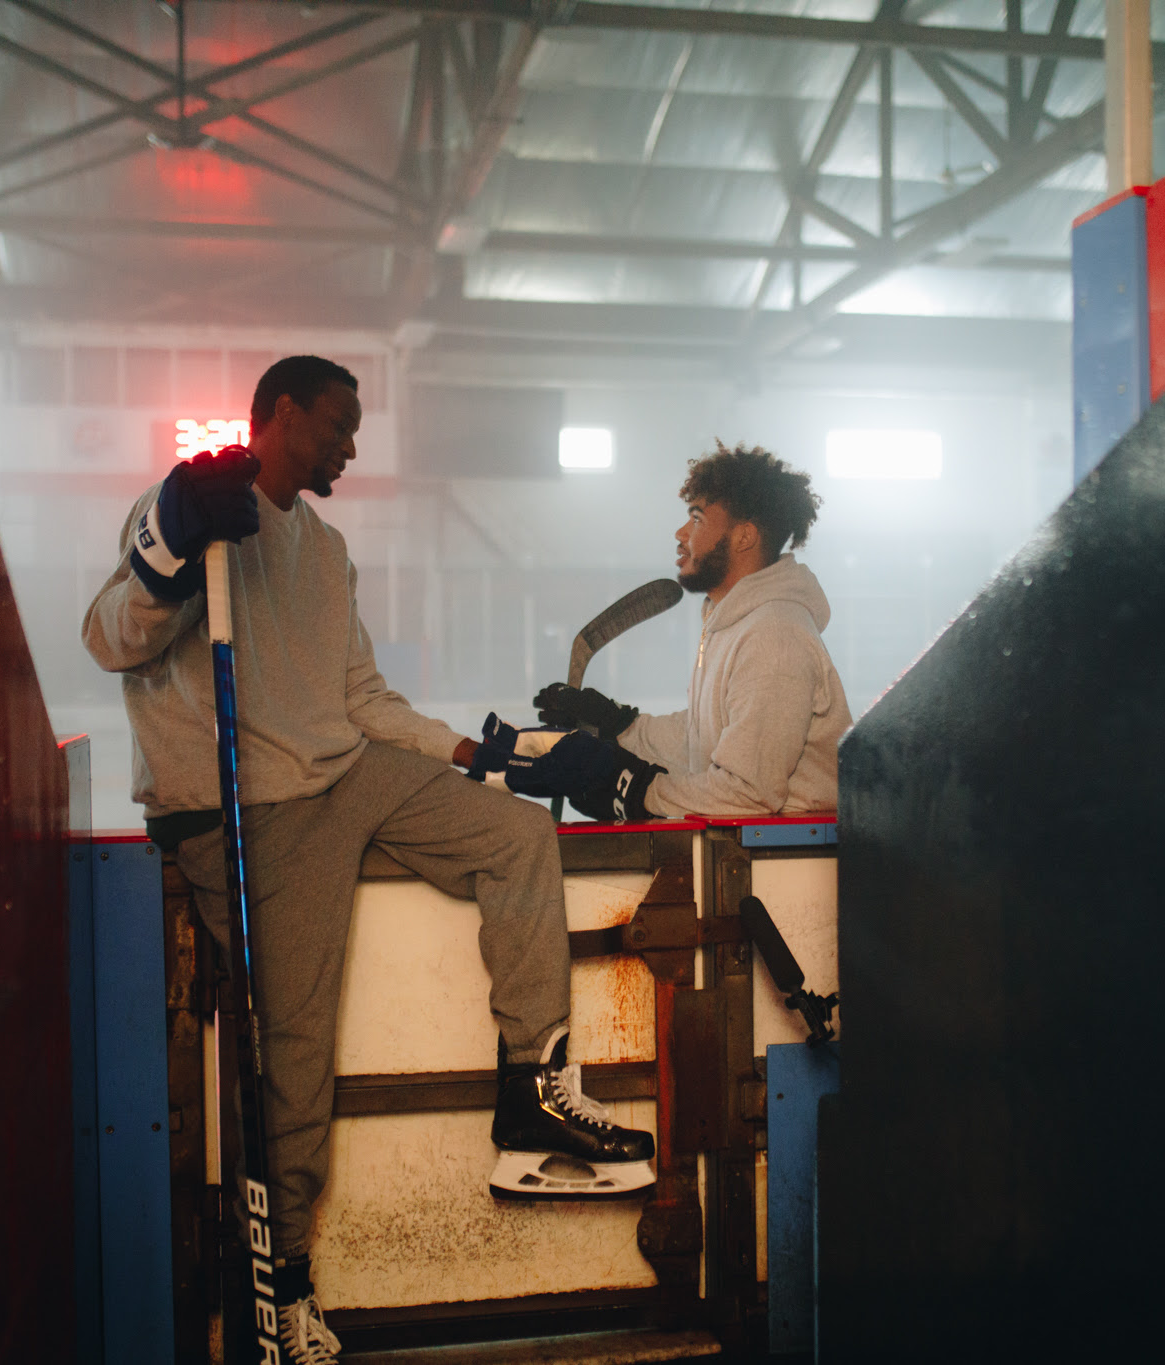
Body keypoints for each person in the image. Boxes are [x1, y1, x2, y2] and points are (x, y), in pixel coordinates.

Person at [81, 356, 653, 1365]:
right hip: (246, 809)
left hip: (342, 771)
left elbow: (360, 699)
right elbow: (107, 638)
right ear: (281, 413)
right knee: (294, 1061)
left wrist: (479, 754)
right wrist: (169, 550)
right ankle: (285, 1290)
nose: (350, 446)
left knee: (517, 833)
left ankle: (531, 1091)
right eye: (337, 426)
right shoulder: (190, 512)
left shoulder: (325, 546)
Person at [530, 442, 852, 822]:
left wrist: (640, 792)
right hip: (751, 849)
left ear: (744, 537)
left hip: (787, 855)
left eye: (697, 519)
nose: (681, 533)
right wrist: (619, 726)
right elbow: (701, 743)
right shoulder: (736, 624)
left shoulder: (775, 637)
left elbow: (748, 792)